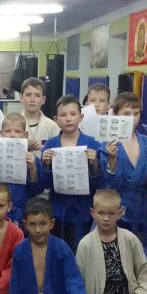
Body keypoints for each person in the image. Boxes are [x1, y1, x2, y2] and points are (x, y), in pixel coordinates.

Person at [40, 94, 105, 252]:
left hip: (82, 208)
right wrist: (46, 165)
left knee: (80, 249)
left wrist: (95, 163)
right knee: (58, 248)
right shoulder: (51, 144)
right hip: (57, 207)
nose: (68, 118)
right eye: (63, 115)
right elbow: (44, 183)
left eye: (73, 114)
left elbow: (100, 181)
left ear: (81, 117)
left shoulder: (92, 143)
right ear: (56, 119)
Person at [104, 92, 147, 245]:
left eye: (136, 113)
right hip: (115, 210)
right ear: (115, 115)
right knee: (115, 252)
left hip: (142, 210)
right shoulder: (108, 143)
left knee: (139, 253)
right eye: (127, 114)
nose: (132, 118)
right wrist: (111, 159)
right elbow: (107, 183)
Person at [0, 113, 42, 226]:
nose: (12, 135)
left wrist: (32, 168)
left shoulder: (32, 159)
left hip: (23, 211)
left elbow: (37, 190)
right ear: (1, 134)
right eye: (7, 131)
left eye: (17, 131)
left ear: (25, 135)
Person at [19, 77, 60, 151]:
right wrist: (24, 145)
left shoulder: (52, 126)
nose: (32, 100)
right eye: (28, 95)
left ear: (43, 100)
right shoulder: (11, 124)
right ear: (21, 98)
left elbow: (58, 152)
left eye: (37, 95)